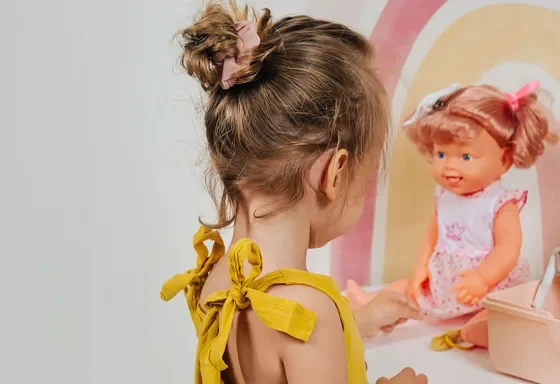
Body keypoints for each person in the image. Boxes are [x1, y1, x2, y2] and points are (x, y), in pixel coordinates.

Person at [159, 2, 426, 383]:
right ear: (334, 173)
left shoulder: (218, 278)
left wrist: (355, 323)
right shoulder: (311, 317)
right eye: (365, 180)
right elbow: (301, 336)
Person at [346, 81, 558, 348]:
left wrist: (482, 278)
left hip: (492, 284)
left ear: (504, 160)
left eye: (466, 157)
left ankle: (478, 329)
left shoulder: (501, 202)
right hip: (447, 279)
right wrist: (421, 266)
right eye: (441, 153)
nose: (449, 166)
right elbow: (432, 235)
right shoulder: (444, 196)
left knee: (499, 311)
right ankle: (369, 303)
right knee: (407, 288)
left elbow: (508, 249)